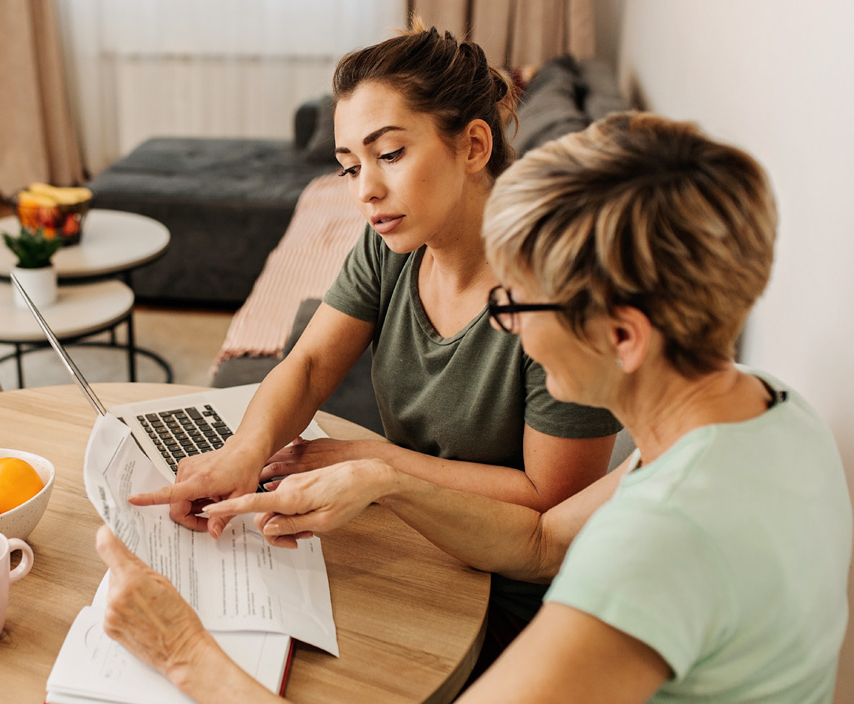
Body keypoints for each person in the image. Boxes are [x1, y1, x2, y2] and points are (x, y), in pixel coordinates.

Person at [96, 112, 854, 702]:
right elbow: (545, 543)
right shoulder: (770, 411)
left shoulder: (657, 549)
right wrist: (382, 478)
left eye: (520, 300)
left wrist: (183, 654)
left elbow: (620, 554)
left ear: (624, 335)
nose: (506, 323)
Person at [131, 22, 621, 654]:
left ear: (474, 146)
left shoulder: (554, 299)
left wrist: (381, 464)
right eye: (350, 166)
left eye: (389, 155)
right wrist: (244, 451)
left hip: (512, 599)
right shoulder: (393, 244)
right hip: (406, 534)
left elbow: (550, 505)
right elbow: (309, 363)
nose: (366, 191)